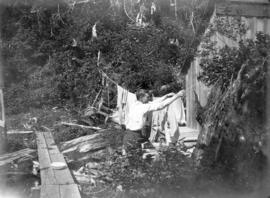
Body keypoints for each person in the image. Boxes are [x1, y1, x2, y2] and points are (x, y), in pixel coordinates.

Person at [122, 89, 185, 155]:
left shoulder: (134, 104)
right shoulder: (143, 107)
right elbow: (161, 106)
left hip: (128, 135)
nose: (148, 98)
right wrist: (177, 96)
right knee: (135, 160)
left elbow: (154, 102)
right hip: (134, 136)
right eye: (147, 97)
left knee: (133, 159)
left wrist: (166, 96)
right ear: (141, 98)